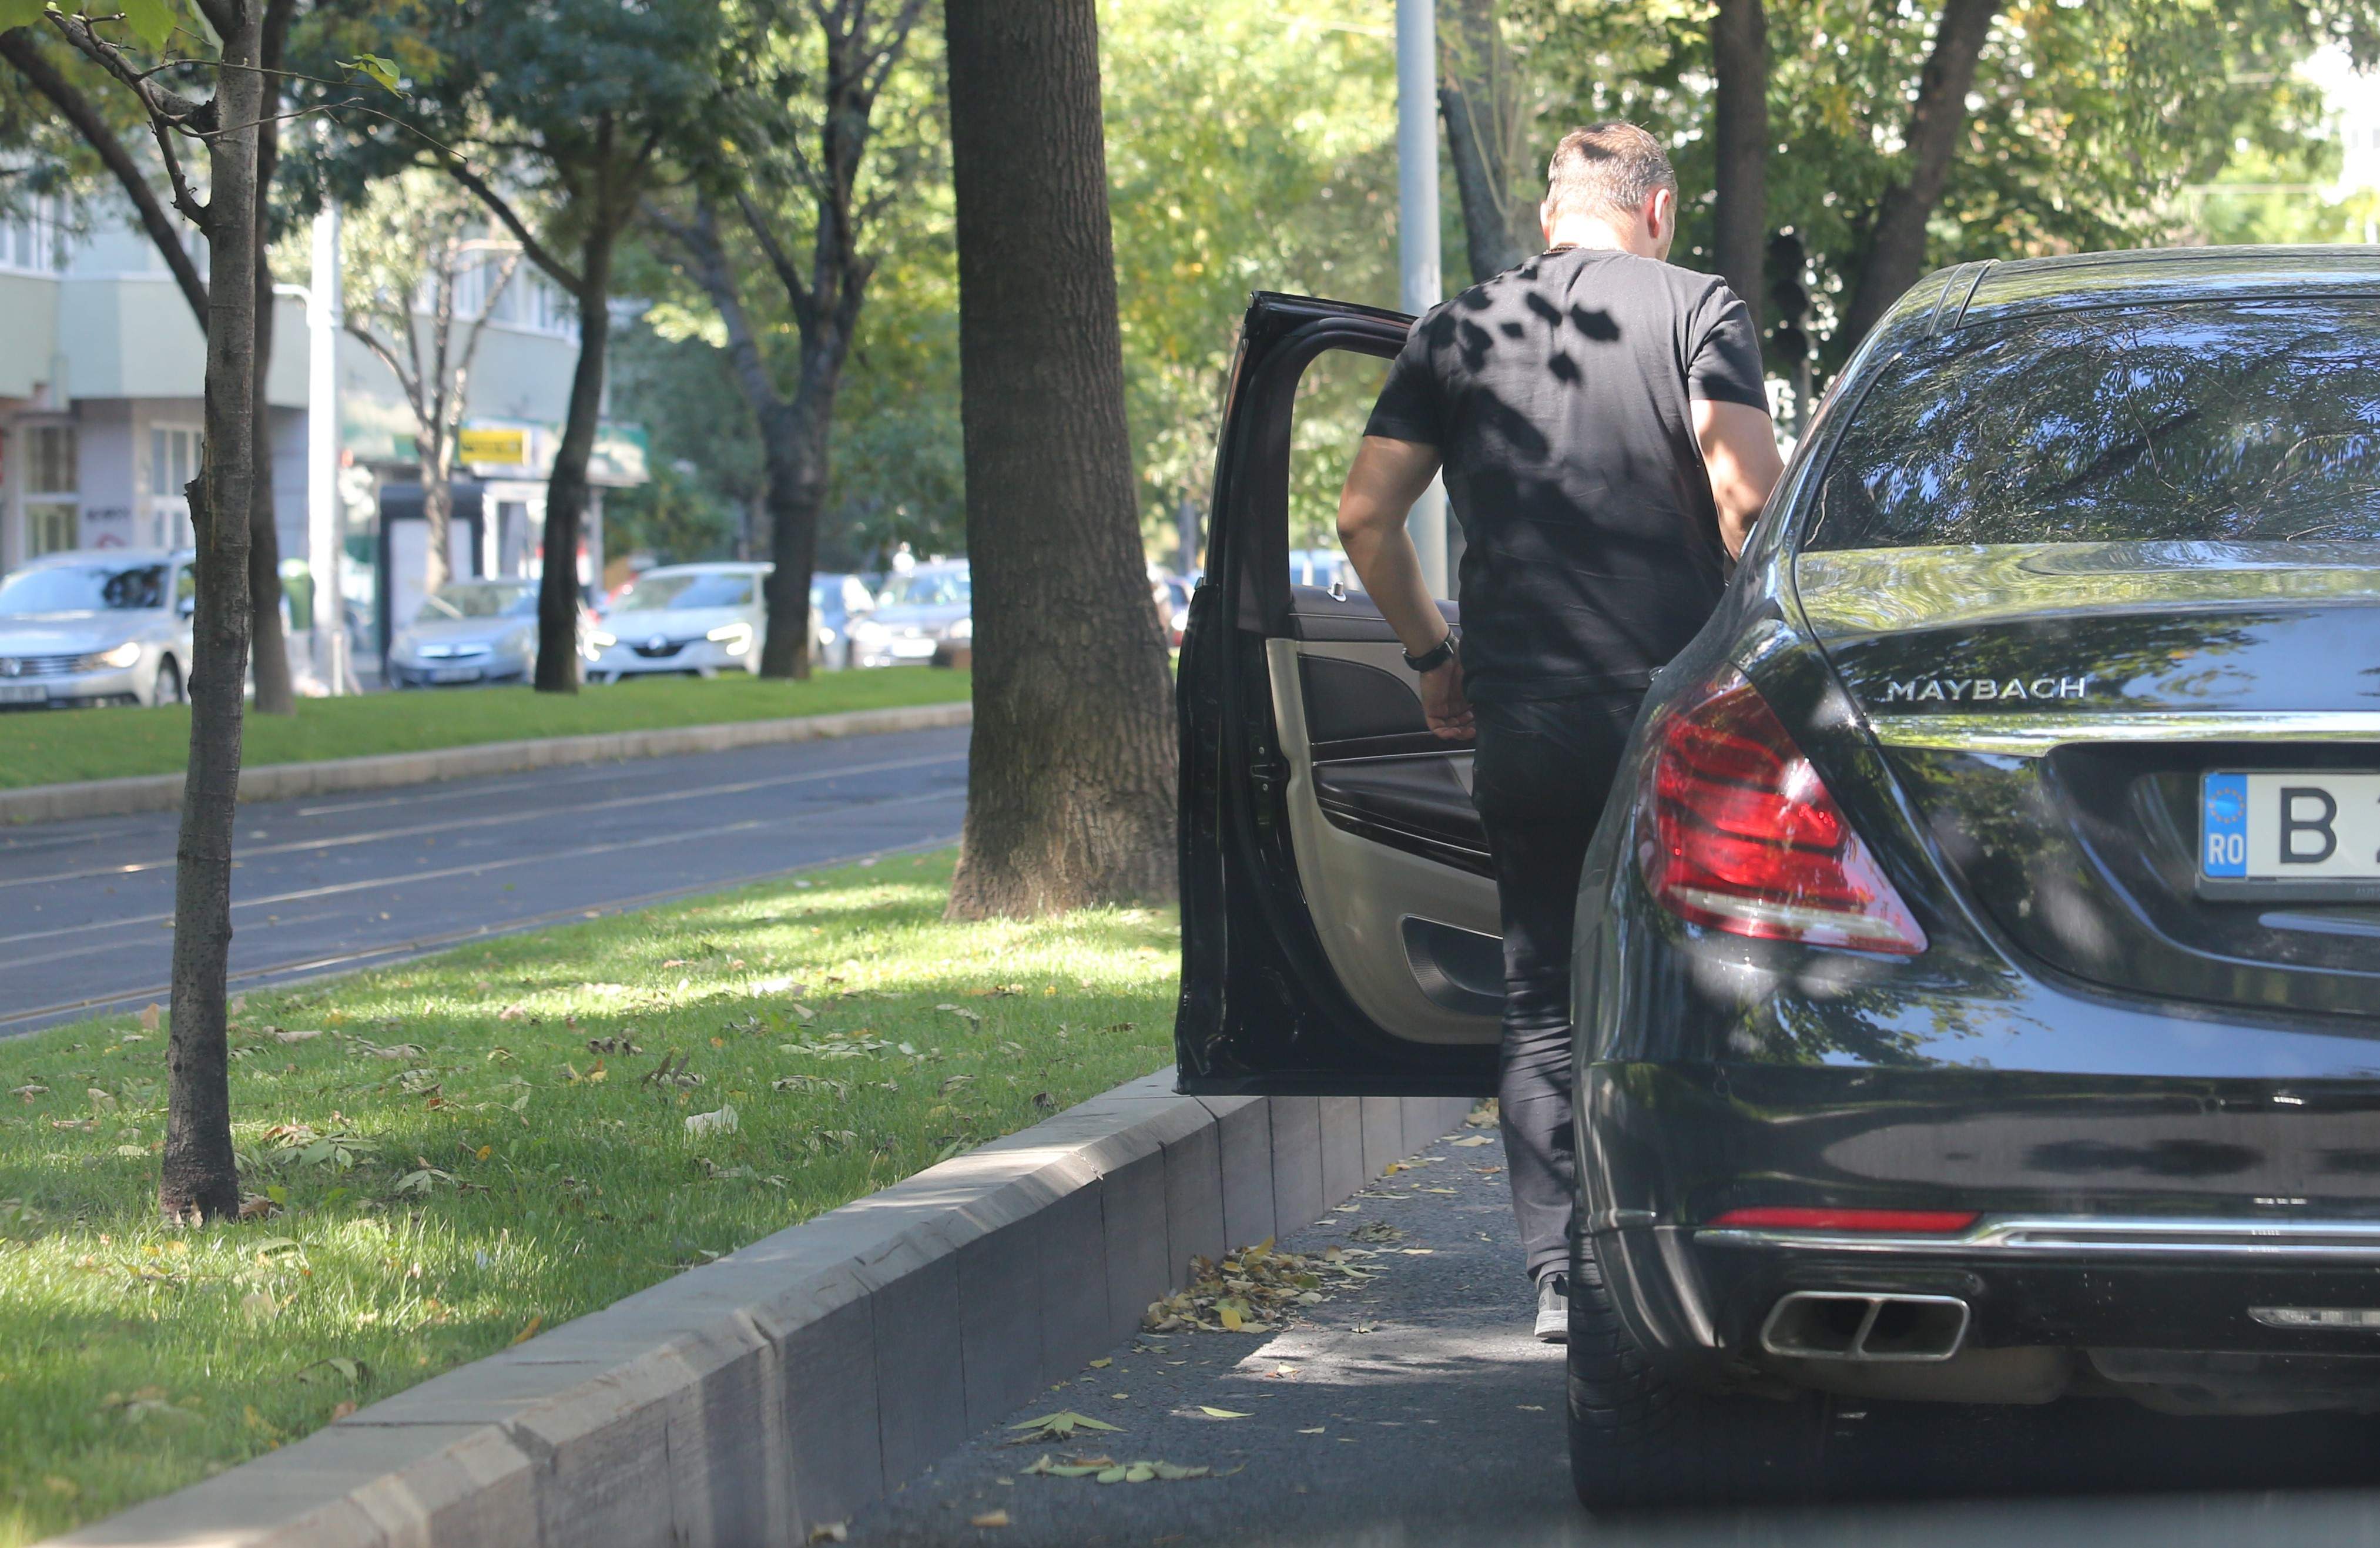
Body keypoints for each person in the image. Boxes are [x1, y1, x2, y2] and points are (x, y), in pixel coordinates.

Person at [1334, 122, 1784, 1342]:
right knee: (1716, 975)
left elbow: (1366, 518)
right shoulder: (1699, 307)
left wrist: (1437, 660)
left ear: (1548, 219)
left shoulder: (1456, 330)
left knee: (1542, 992)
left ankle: (1560, 1275)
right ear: (1660, 211)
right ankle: (1707, 1242)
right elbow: (1745, 497)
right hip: (1681, 721)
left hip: (1523, 709)